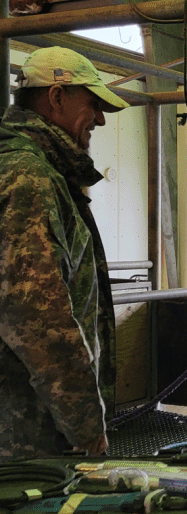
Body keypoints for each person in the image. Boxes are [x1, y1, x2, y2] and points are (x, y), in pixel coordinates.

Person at [0, 46, 129, 461]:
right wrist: (86, 426)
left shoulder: (30, 168)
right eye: (93, 104)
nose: (100, 119)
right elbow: (39, 320)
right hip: (28, 438)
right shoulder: (29, 177)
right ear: (56, 97)